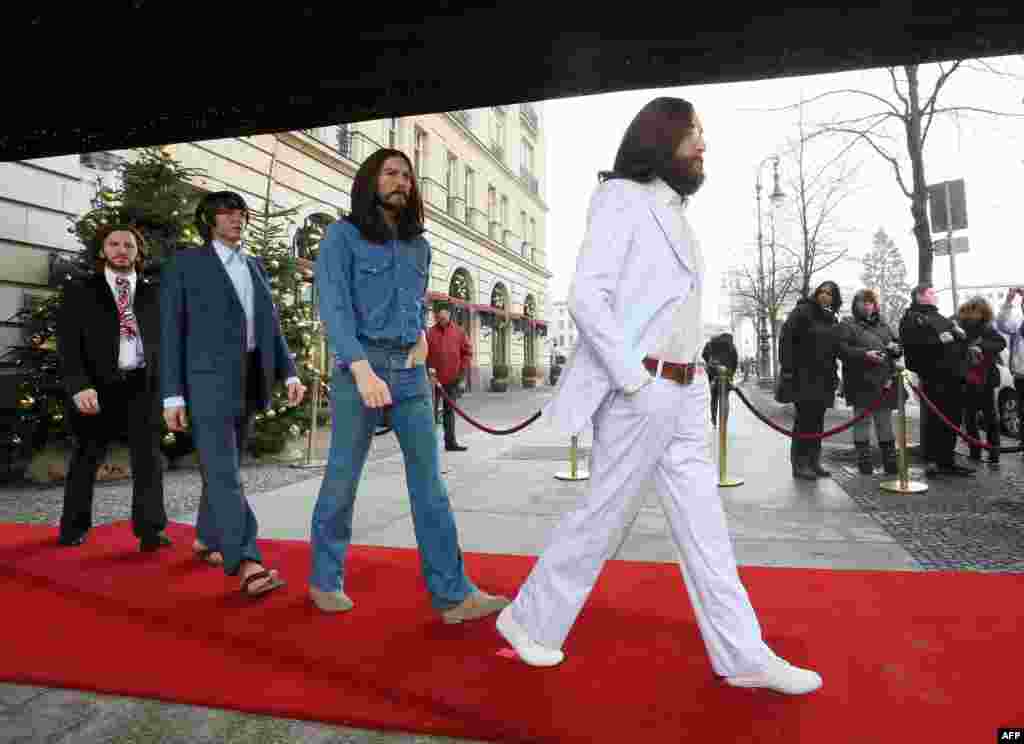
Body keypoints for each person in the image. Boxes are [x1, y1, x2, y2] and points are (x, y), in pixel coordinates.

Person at [494, 97, 821, 695]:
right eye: (695, 133)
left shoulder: (678, 216)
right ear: (661, 135)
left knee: (706, 526)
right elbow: (586, 297)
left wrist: (699, 360)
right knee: (604, 516)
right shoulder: (622, 198)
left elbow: (666, 308)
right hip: (641, 389)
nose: (703, 146)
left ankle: (742, 654)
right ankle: (530, 620)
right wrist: (635, 379)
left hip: (686, 388)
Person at [310, 148, 509, 622]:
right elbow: (334, 308)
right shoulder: (341, 236)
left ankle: (452, 594)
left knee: (430, 484)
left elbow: (413, 300)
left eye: (407, 174)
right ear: (371, 180)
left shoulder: (420, 244)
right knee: (342, 477)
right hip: (360, 369)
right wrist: (361, 369)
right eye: (391, 172)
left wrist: (420, 336)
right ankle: (324, 577)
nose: (401, 180)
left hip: (410, 372)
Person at [161, 190, 306, 596]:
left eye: (240, 213)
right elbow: (170, 333)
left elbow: (270, 325)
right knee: (225, 473)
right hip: (204, 383)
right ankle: (246, 559)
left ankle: (208, 538)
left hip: (249, 379)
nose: (236, 219)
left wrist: (289, 373)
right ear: (209, 220)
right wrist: (171, 394)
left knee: (223, 468)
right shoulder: (186, 264)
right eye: (227, 213)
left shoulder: (253, 265)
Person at [56, 224, 170, 551]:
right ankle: (73, 527)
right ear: (103, 250)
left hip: (142, 387)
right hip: (96, 388)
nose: (122, 250)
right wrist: (78, 385)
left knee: (148, 460)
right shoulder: (81, 290)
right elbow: (67, 343)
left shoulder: (154, 292)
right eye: (115, 244)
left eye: (129, 245)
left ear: (138, 252)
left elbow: (165, 341)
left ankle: (151, 530)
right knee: (85, 457)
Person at [899, 284, 974, 477]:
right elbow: (912, 344)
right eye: (931, 293)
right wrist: (940, 339)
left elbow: (958, 339)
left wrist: (961, 336)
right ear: (919, 296)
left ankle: (946, 460)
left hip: (954, 377)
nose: (935, 296)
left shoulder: (940, 317)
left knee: (952, 420)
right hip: (934, 377)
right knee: (935, 420)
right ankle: (933, 461)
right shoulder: (911, 318)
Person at [778, 281, 842, 481]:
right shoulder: (802, 311)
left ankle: (814, 461)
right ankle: (800, 464)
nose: (825, 296)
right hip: (803, 376)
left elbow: (836, 347)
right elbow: (786, 339)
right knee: (804, 420)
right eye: (822, 292)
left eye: (830, 294)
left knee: (817, 421)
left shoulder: (831, 318)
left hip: (824, 377)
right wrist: (787, 369)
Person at [836, 289, 901, 475]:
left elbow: (897, 346)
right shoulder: (847, 325)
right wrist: (865, 354)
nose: (867, 305)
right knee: (861, 422)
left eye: (870, 302)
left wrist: (896, 349)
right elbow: (842, 350)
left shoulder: (884, 325)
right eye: (863, 302)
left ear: (875, 305)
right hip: (860, 380)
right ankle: (864, 465)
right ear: (855, 305)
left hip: (884, 380)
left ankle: (890, 464)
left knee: (884, 423)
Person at [957, 296, 1005, 466]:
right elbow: (956, 349)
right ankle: (976, 452)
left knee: (989, 419)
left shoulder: (987, 328)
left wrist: (982, 345)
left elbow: (1001, 343)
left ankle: (993, 454)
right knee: (971, 419)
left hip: (985, 380)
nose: (977, 313)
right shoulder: (960, 326)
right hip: (968, 379)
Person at [426, 303, 473, 451]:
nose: (442, 319)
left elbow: (467, 352)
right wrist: (427, 372)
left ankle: (450, 442)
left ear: (450, 315)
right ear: (436, 316)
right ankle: (428, 445)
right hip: (433, 381)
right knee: (429, 414)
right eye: (439, 316)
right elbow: (423, 355)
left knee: (449, 412)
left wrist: (461, 373)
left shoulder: (459, 332)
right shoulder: (429, 333)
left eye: (444, 316)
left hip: (452, 380)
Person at [995, 287, 1024, 458]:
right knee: (1022, 410)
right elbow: (1001, 323)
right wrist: (1008, 301)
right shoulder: (1019, 324)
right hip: (1020, 375)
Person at [701, 332, 738, 425]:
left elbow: (704, 356)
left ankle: (714, 419)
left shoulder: (710, 344)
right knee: (724, 398)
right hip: (727, 374)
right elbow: (735, 361)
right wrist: (731, 373)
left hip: (713, 374)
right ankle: (723, 422)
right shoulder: (731, 345)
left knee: (713, 398)